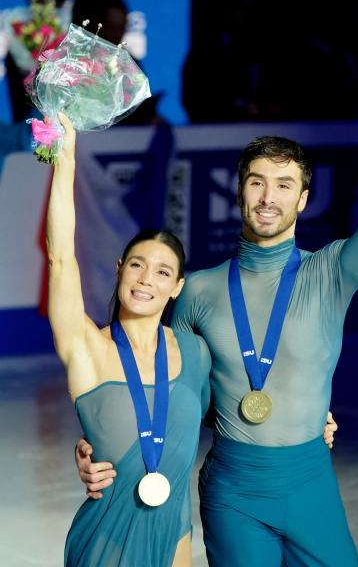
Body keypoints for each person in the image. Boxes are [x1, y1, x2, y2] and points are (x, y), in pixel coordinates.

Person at [76, 93, 358, 565]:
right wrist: (96, 446)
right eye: (257, 182)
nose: (268, 197)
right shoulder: (197, 291)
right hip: (233, 491)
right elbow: (164, 392)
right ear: (238, 190)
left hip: (310, 482)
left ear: (304, 199)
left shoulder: (332, 272)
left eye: (284, 185)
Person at [47, 113, 211, 566]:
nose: (146, 280)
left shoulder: (194, 352)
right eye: (137, 265)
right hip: (106, 541)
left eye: (162, 272)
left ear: (178, 286)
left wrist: (316, 422)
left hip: (174, 536)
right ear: (119, 269)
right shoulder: (89, 348)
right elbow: (61, 259)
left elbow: (231, 415)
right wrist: (66, 157)